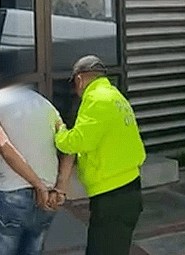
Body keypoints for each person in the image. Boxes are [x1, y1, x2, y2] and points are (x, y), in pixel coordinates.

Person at [0, 52, 74, 255]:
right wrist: (60, 189)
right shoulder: (43, 103)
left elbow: (3, 145)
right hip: (48, 197)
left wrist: (37, 185)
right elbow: (70, 147)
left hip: (14, 194)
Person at [54, 55, 146, 255]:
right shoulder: (115, 96)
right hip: (128, 187)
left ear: (79, 79)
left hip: (112, 195)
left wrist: (60, 132)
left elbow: (79, 141)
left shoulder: (96, 100)